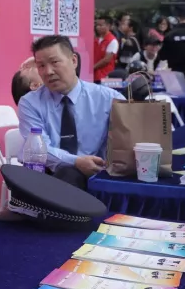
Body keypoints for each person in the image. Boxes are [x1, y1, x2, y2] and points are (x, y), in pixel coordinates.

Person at [17, 35, 121, 190]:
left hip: (98, 175)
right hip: (49, 176)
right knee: (68, 174)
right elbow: (40, 149)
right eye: (41, 66)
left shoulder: (109, 98)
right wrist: (76, 162)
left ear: (73, 61)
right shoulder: (30, 103)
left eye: (54, 62)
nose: (48, 71)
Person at [93, 15, 119, 83]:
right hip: (94, 76)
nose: (97, 27)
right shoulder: (95, 40)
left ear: (108, 26)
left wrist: (92, 67)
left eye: (101, 25)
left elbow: (106, 60)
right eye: (97, 25)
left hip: (106, 77)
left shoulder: (112, 41)